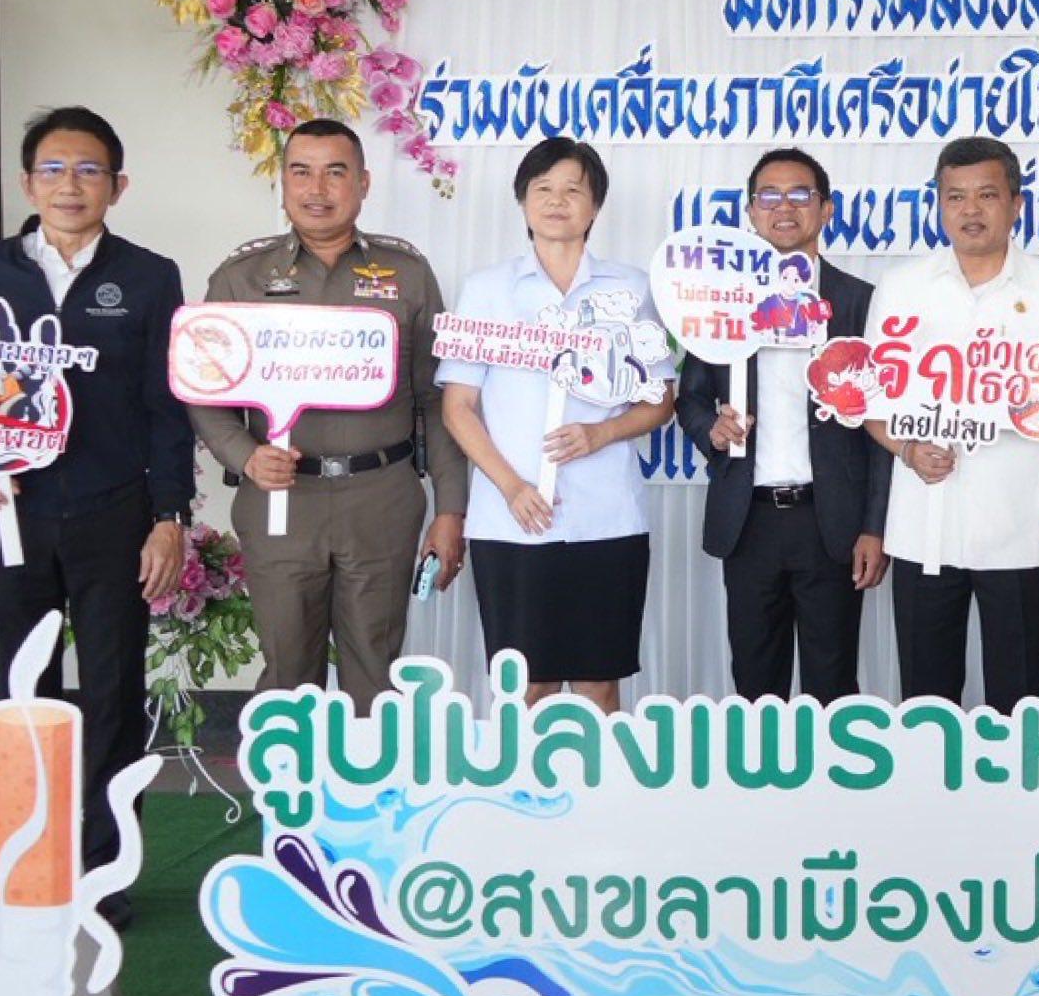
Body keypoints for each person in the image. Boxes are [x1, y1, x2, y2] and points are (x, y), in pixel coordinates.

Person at [0, 106, 194, 900]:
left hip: (114, 511)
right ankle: (30, 866)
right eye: (53, 169)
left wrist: (169, 518)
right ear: (28, 184)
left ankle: (105, 874)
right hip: (11, 514)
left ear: (118, 186)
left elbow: (167, 406)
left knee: (113, 692)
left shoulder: (148, 277)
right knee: (22, 691)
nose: (70, 185)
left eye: (89, 170)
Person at [191, 120, 467, 708]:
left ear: (363, 184)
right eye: (301, 172)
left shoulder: (407, 274)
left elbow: (437, 397)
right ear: (283, 182)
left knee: (375, 674)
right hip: (282, 500)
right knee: (288, 675)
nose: (317, 189)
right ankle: (291, 773)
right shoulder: (241, 278)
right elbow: (204, 392)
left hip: (382, 498)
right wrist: (245, 457)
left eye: (335, 172)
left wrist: (451, 509)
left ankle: (374, 772)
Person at [439, 137, 676, 712]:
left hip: (606, 517)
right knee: (527, 684)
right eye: (542, 188)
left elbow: (660, 399)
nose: (556, 200)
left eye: (573, 189)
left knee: (599, 682)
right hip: (511, 521)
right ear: (522, 201)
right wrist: (512, 487)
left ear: (595, 206)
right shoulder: (486, 289)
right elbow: (458, 407)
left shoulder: (631, 289)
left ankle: (605, 776)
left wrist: (601, 433)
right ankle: (520, 776)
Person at [866, 137, 1039, 707]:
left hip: (1017, 533)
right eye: (955, 197)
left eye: (987, 195)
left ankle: (1013, 773)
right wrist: (906, 450)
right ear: (939, 205)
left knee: (1017, 703)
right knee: (926, 706)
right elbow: (871, 407)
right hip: (922, 529)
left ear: (1016, 204)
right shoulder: (900, 288)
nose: (970, 210)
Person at [675, 149, 890, 700]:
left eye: (800, 195)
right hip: (748, 519)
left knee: (833, 685)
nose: (784, 207)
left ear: (826, 209)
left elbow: (882, 423)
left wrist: (875, 526)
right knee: (754, 684)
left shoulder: (860, 302)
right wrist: (711, 430)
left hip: (831, 521)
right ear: (751, 212)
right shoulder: (724, 301)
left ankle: (831, 764)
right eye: (769, 196)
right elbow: (690, 397)